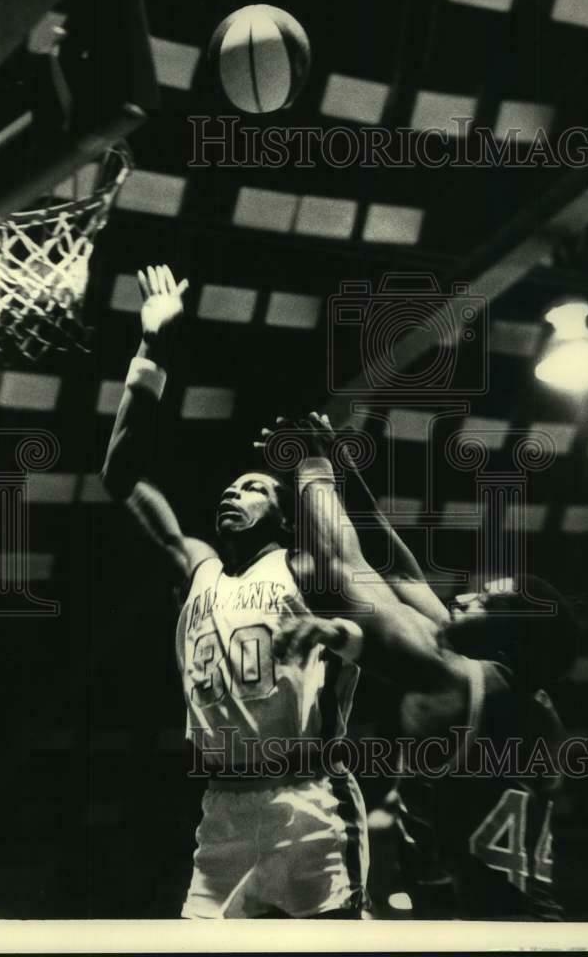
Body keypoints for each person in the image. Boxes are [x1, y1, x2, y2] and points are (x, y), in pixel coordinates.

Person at [100, 264, 367, 919]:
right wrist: (152, 348)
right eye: (229, 486)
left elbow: (349, 565)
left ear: (281, 515)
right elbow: (120, 475)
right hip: (222, 803)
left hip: (307, 798)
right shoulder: (200, 568)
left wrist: (314, 459)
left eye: (252, 487)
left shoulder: (304, 569)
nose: (231, 490)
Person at [272, 442, 578, 920]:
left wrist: (313, 465)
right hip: (530, 921)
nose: (465, 595)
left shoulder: (455, 682)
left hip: (484, 931)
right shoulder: (526, 697)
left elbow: (342, 569)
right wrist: (347, 468)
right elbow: (397, 570)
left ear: (507, 635)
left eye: (485, 600)